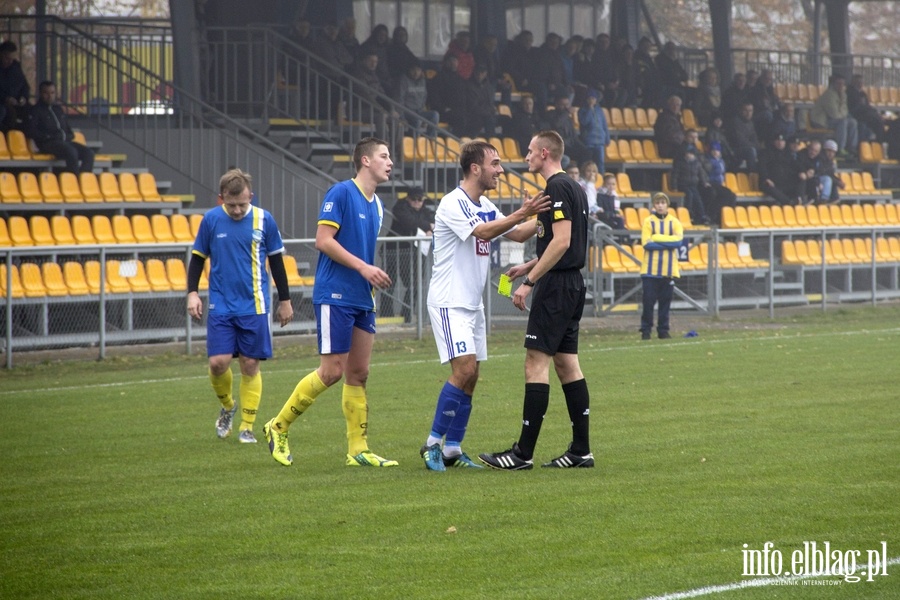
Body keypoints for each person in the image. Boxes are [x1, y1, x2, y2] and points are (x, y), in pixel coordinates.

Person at [263, 137, 399, 468]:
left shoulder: (377, 204)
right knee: (331, 371)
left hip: (362, 297)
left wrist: (367, 276)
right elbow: (322, 241)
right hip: (336, 293)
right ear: (365, 161)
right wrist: (365, 267)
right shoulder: (340, 193)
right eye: (384, 156)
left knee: (359, 373)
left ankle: (358, 450)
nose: (390, 161)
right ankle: (277, 426)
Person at [420, 140, 550, 471]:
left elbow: (518, 234)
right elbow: (482, 231)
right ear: (475, 168)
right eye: (495, 164)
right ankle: (432, 444)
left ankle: (452, 448)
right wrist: (522, 212)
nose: (501, 170)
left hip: (471, 304)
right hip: (449, 301)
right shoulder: (453, 203)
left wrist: (548, 215)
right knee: (463, 370)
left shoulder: (484, 203)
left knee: (473, 374)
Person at [479, 130, 594, 470]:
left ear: (545, 153)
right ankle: (580, 451)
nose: (525, 157)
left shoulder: (558, 187)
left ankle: (521, 454)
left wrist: (529, 281)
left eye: (529, 151)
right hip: (571, 283)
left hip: (556, 287)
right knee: (567, 364)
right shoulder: (571, 189)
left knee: (535, 362)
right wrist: (528, 264)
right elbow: (558, 242)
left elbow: (561, 243)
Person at [187, 168, 294, 444]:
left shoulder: (264, 219)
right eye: (230, 204)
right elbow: (198, 258)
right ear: (220, 198)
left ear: (251, 197)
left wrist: (285, 301)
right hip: (221, 304)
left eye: (242, 204)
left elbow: (277, 262)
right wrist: (192, 293)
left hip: (254, 305)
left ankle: (247, 425)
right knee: (218, 363)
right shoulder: (211, 220)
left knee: (249, 364)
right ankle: (227, 407)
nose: (236, 210)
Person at [382, 186, 434, 321]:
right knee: (389, 283)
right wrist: (428, 226)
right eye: (414, 199)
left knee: (416, 283)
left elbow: (434, 221)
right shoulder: (400, 207)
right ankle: (386, 314)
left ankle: (407, 314)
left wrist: (427, 226)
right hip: (393, 251)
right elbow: (409, 222)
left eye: (420, 200)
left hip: (415, 253)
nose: (417, 202)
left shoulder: (425, 211)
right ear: (408, 198)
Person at [639, 192, 684, 340]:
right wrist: (668, 242)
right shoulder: (648, 222)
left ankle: (663, 331)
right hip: (650, 271)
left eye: (663, 203)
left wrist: (657, 237)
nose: (660, 206)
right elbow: (647, 244)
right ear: (654, 205)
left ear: (667, 205)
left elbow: (678, 242)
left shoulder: (675, 222)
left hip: (668, 270)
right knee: (648, 303)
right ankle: (646, 331)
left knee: (665, 304)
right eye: (657, 203)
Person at [27, 81, 95, 174]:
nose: (49, 96)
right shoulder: (36, 110)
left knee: (89, 153)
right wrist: (48, 137)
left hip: (65, 142)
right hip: (48, 144)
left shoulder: (58, 109)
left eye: (52, 93)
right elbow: (31, 131)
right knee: (71, 151)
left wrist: (69, 136)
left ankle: (83, 181)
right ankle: (73, 181)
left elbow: (67, 128)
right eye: (46, 93)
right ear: (40, 94)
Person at [810, 74, 859, 157]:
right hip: (821, 121)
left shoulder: (843, 94)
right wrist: (843, 115)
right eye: (839, 83)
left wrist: (843, 114)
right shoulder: (829, 95)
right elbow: (834, 114)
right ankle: (840, 149)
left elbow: (845, 111)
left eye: (843, 84)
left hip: (834, 119)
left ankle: (852, 148)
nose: (841, 86)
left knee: (853, 122)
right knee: (843, 122)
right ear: (834, 84)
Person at [670, 145, 711, 225]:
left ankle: (702, 215)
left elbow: (701, 174)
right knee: (689, 195)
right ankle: (688, 213)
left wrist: (704, 182)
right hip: (683, 184)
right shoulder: (680, 163)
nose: (689, 155)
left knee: (698, 199)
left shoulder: (697, 164)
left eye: (691, 154)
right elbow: (674, 175)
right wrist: (674, 187)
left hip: (693, 185)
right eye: (688, 153)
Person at [577, 89, 610, 175]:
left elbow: (604, 125)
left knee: (600, 163)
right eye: (589, 98)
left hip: (600, 141)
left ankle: (601, 179)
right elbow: (584, 121)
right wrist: (589, 110)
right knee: (587, 164)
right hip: (589, 141)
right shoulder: (582, 110)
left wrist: (607, 138)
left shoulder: (600, 110)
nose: (591, 100)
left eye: (593, 98)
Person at [0, 41, 29, 132]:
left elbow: (24, 85)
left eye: (12, 59)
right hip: (2, 102)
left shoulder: (15, 67)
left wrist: (23, 97)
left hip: (16, 101)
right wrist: (5, 98)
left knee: (32, 112)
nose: (10, 61)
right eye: (7, 58)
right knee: (5, 112)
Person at [726, 102, 759, 171]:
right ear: (740, 111)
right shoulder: (735, 122)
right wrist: (753, 146)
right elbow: (739, 141)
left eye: (750, 111)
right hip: (734, 149)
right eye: (745, 110)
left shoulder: (750, 123)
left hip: (747, 148)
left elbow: (754, 139)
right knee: (751, 151)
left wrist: (755, 145)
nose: (748, 113)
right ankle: (752, 174)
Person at [654, 95, 686, 159]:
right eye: (673, 105)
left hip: (676, 146)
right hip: (668, 148)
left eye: (678, 105)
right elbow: (668, 135)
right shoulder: (664, 118)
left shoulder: (677, 117)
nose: (675, 107)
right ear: (669, 105)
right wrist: (682, 141)